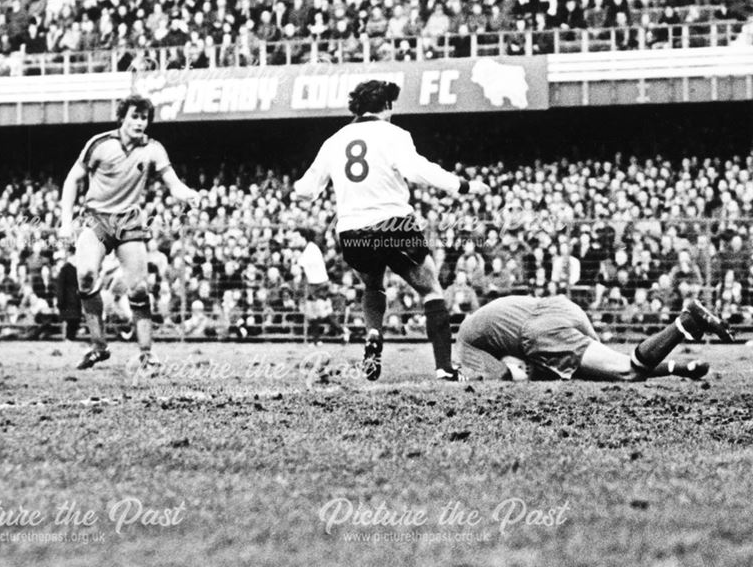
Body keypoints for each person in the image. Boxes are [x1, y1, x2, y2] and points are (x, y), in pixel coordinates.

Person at [291, 80, 490, 381]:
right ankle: (444, 368)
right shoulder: (395, 134)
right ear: (386, 107)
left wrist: (297, 189)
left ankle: (373, 333)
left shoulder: (334, 140)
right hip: (393, 222)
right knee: (430, 287)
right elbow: (419, 170)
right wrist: (463, 185)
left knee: (373, 286)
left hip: (352, 229)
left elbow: (306, 189)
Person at [59, 94, 199, 373]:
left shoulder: (153, 149)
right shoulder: (99, 144)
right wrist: (65, 222)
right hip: (96, 218)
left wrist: (188, 194)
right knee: (85, 276)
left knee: (139, 287)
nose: (139, 122)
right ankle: (98, 347)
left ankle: (147, 353)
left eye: (144, 118)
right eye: (134, 116)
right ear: (122, 117)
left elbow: (173, 183)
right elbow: (72, 179)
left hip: (129, 221)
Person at [456, 294, 731, 382]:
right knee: (607, 368)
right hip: (561, 308)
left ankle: (684, 323)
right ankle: (680, 368)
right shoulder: (484, 317)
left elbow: (504, 376)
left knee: (627, 371)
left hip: (540, 331)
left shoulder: (465, 344)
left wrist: (529, 373)